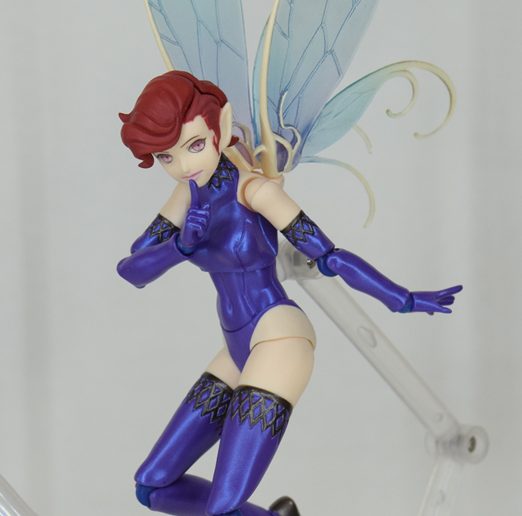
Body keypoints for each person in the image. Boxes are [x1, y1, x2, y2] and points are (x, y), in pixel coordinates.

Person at [117, 71, 461, 516]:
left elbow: (329, 256)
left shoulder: (254, 190)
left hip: (278, 337)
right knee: (152, 486)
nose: (183, 165)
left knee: (222, 506)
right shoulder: (187, 193)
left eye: (194, 145)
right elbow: (133, 270)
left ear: (222, 126)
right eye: (167, 156)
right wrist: (180, 246)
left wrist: (403, 298)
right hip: (236, 347)